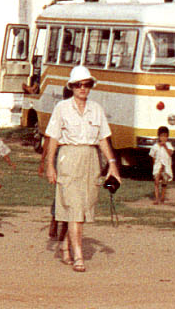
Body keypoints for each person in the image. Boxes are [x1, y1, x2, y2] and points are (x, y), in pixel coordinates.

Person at [42, 64, 123, 272]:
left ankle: (65, 245)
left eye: (86, 85)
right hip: (69, 157)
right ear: (72, 87)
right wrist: (50, 165)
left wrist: (112, 165)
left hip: (91, 160)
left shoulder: (96, 109)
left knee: (84, 208)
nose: (82, 88)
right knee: (74, 207)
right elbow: (52, 138)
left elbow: (104, 139)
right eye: (78, 85)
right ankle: (79, 257)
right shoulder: (62, 108)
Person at [149, 126, 174, 204]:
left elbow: (170, 153)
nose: (163, 138)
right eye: (162, 136)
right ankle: (156, 198)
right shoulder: (155, 146)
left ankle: (162, 197)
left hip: (166, 166)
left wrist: (165, 146)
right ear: (159, 137)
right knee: (156, 181)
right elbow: (152, 156)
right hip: (158, 166)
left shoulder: (169, 145)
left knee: (164, 182)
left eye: (165, 136)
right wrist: (154, 165)